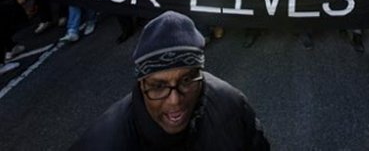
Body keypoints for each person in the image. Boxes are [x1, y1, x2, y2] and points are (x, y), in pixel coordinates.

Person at [70, 11, 270, 150]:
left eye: (186, 80)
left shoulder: (231, 104)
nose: (175, 100)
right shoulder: (103, 142)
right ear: (141, 83)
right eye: (158, 86)